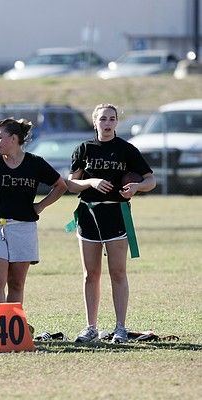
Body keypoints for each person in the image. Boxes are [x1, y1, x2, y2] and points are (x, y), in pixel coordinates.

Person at [0, 118, 67, 343]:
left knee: (16, 283)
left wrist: (41, 205)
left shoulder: (35, 163)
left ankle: (10, 333)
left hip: (24, 227)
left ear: (14, 139)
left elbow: (60, 185)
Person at [67, 103, 155, 343]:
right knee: (90, 274)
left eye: (111, 119)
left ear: (116, 122)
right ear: (95, 121)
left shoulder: (126, 149)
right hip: (89, 215)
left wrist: (137, 187)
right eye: (103, 118)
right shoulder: (84, 149)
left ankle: (120, 328)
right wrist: (91, 182)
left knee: (118, 272)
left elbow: (151, 180)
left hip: (116, 215)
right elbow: (70, 183)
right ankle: (90, 327)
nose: (107, 123)